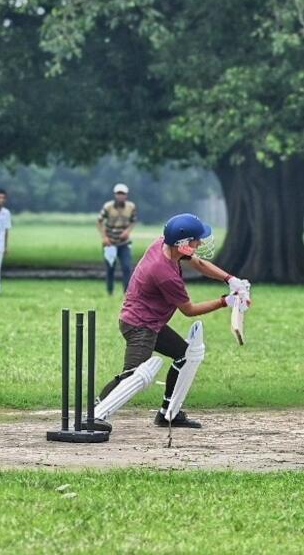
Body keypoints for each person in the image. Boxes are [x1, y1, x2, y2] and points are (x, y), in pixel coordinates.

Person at [88, 213, 251, 432]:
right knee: (133, 375)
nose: (200, 242)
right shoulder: (164, 273)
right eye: (196, 239)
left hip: (151, 322)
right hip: (140, 326)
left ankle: (167, 413)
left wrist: (231, 280)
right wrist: (226, 301)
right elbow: (189, 310)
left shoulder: (164, 245)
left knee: (184, 355)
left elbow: (199, 263)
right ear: (183, 244)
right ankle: (94, 414)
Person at [96, 183, 137, 295]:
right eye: (118, 194)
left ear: (126, 195)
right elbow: (99, 222)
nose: (120, 196)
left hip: (124, 242)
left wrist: (127, 231)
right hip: (110, 243)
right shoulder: (108, 207)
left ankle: (127, 293)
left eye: (122, 194)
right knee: (110, 268)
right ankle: (110, 291)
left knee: (127, 267)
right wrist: (104, 237)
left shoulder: (131, 207)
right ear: (115, 195)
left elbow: (133, 221)